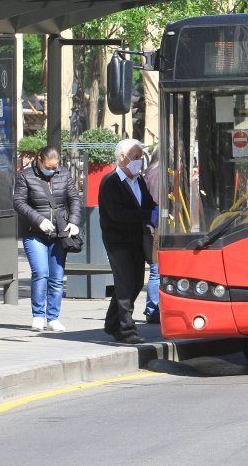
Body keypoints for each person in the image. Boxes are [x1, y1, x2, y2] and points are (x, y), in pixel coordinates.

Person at [13, 146, 81, 332]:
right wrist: (39, 220)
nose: (52, 171)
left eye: (55, 167)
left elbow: (74, 199)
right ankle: (38, 316)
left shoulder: (64, 174)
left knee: (57, 277)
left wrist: (74, 221)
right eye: (49, 167)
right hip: (34, 232)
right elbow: (19, 202)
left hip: (59, 232)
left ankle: (53, 317)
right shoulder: (26, 176)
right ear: (39, 160)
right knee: (41, 272)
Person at [99, 139, 157, 344]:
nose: (139, 161)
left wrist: (155, 211)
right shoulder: (111, 182)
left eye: (141, 157)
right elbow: (117, 214)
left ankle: (112, 322)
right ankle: (126, 329)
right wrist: (146, 215)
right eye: (135, 157)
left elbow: (149, 203)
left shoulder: (139, 181)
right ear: (122, 158)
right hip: (117, 240)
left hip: (136, 238)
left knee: (136, 283)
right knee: (125, 284)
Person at [142, 145, 161, 324]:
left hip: (150, 228)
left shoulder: (149, 172)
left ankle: (153, 308)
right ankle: (153, 308)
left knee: (156, 270)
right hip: (156, 229)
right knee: (156, 270)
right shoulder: (158, 174)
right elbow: (156, 204)